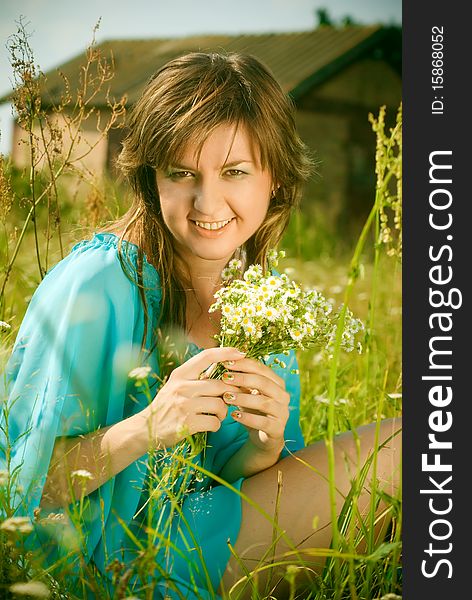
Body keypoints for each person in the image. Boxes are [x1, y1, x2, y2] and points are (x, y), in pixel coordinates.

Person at [0, 52, 401, 599]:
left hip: (202, 526)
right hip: (110, 560)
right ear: (151, 177)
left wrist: (263, 447)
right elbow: (22, 489)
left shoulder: (258, 295)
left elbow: (235, 473)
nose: (207, 202)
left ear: (275, 178)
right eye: (182, 173)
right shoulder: (97, 282)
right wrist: (146, 428)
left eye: (234, 172)